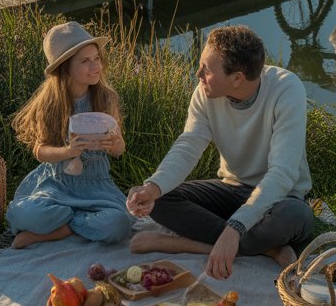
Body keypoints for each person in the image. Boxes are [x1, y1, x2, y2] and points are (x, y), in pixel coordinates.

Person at [125, 25, 313, 277]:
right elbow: (189, 145)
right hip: (232, 188)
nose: (198, 73)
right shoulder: (205, 92)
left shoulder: (286, 89)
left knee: (295, 215)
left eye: (207, 69)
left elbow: (282, 173)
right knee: (159, 200)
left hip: (280, 198)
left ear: (237, 78)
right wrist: (154, 187)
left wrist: (235, 226)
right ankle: (267, 249)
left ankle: (191, 244)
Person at [6, 21, 132, 249]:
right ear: (65, 68)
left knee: (120, 224)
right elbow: (40, 151)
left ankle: (59, 230)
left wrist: (115, 143)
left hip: (96, 186)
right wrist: (67, 152)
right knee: (23, 214)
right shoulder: (50, 103)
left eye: (96, 59)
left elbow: (119, 151)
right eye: (85, 61)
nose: (95, 66)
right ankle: (78, 223)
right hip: (58, 184)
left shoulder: (105, 98)